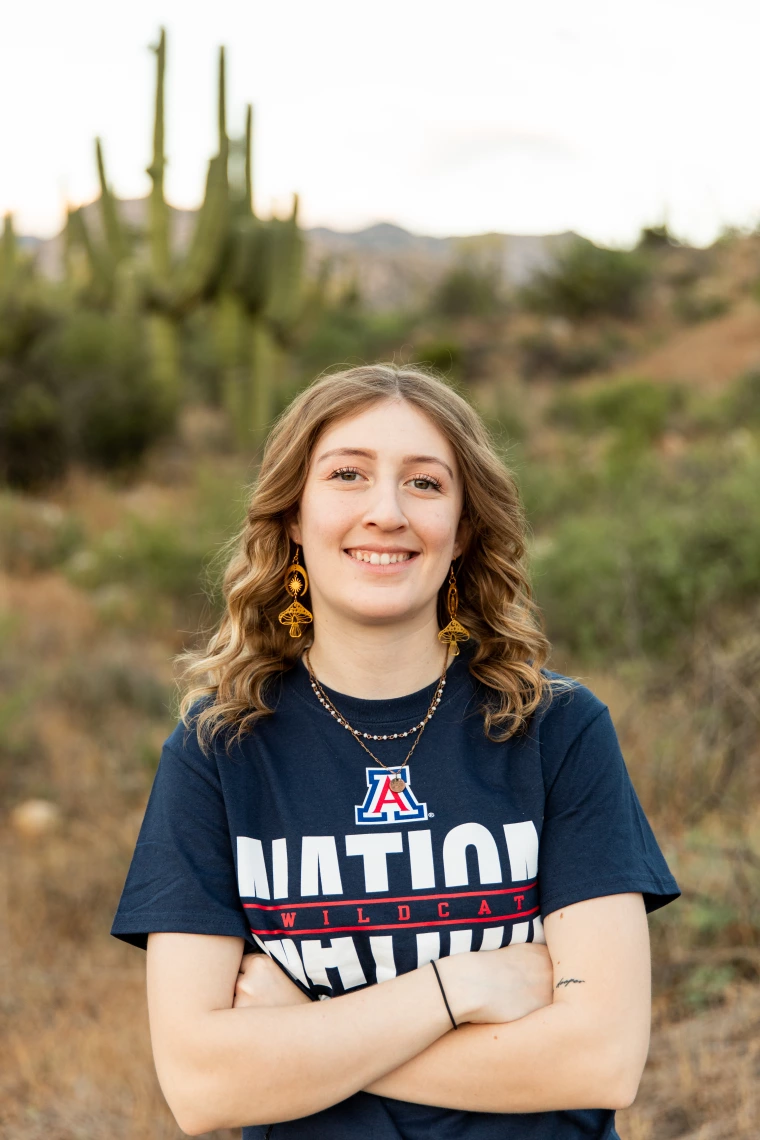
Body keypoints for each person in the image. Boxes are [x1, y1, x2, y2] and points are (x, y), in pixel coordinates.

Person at [110, 362, 680, 1139]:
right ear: (293, 519)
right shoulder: (220, 750)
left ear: (464, 528)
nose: (386, 512)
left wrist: (306, 1035)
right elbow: (204, 1086)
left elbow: (601, 1059)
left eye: (425, 484)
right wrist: (460, 988)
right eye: (348, 475)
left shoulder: (556, 729)